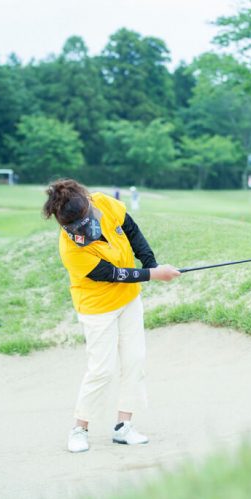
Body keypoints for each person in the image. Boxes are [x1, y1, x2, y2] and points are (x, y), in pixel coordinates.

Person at [42, 178, 181, 453]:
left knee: (134, 361)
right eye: (75, 227)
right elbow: (113, 275)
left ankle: (123, 427)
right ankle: (79, 429)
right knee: (102, 370)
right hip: (98, 309)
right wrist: (155, 275)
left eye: (85, 220)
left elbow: (131, 230)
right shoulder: (71, 249)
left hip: (128, 300)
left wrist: (151, 263)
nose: (83, 229)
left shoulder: (103, 202)